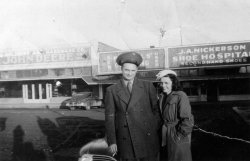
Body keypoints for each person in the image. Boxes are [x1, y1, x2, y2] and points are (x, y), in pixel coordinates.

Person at [105, 52, 161, 161]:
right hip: (125, 140)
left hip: (147, 138)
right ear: (121, 69)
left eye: (133, 70)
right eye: (126, 70)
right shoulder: (111, 90)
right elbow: (110, 118)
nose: (129, 74)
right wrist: (112, 141)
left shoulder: (148, 86)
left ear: (137, 71)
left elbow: (156, 111)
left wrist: (152, 128)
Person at [156, 69, 194, 161]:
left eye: (166, 83)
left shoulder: (180, 96)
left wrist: (179, 136)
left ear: (173, 83)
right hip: (165, 134)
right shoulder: (162, 97)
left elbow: (187, 119)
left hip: (176, 134)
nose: (163, 86)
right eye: (161, 83)